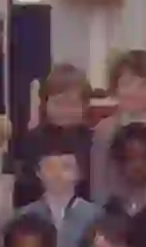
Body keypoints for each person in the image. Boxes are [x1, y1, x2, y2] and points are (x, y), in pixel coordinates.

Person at [91, 49, 146, 202]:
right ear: (115, 87)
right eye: (127, 84)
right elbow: (98, 183)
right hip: (114, 214)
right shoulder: (104, 131)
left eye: (143, 85)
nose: (134, 92)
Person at [16, 133, 103, 247]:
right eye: (50, 167)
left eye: (66, 167)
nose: (57, 174)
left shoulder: (96, 216)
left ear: (80, 173)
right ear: (38, 172)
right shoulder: (24, 216)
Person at [15, 63, 95, 205]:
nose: (65, 110)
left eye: (72, 104)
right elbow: (24, 190)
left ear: (85, 106)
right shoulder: (32, 141)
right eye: (58, 104)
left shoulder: (93, 141)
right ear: (45, 105)